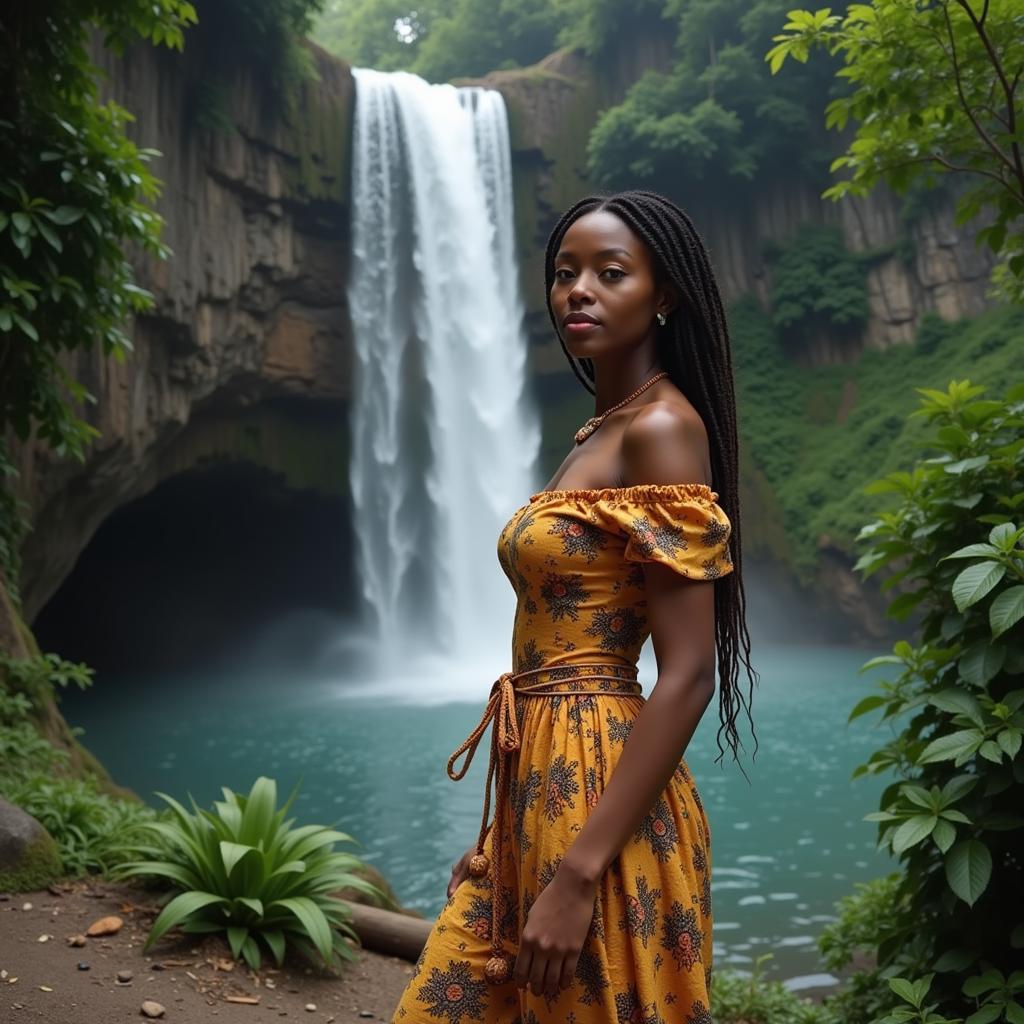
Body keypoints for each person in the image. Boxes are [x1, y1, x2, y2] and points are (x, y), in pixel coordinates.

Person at [391, 188, 758, 1024]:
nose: (577, 291)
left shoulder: (662, 428)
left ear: (663, 294)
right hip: (540, 772)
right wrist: (502, 841)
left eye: (609, 272)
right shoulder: (600, 431)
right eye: (564, 273)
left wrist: (578, 872)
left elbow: (691, 673)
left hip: (600, 791)